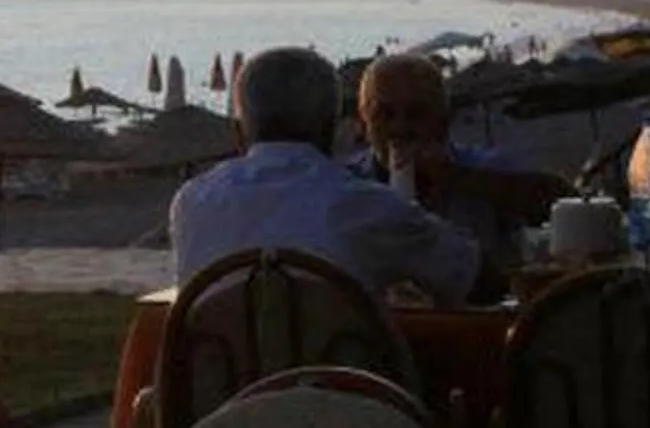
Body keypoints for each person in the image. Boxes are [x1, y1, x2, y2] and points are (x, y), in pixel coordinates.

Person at [170, 45, 493, 307]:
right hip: (341, 383)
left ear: (239, 134)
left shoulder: (191, 201)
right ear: (332, 129)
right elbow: (478, 282)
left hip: (220, 384)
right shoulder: (365, 205)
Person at [345, 52, 567, 272]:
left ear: (444, 120)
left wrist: (458, 178)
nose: (400, 128)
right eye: (385, 114)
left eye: (416, 113)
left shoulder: (484, 169)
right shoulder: (345, 184)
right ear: (364, 124)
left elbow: (564, 203)